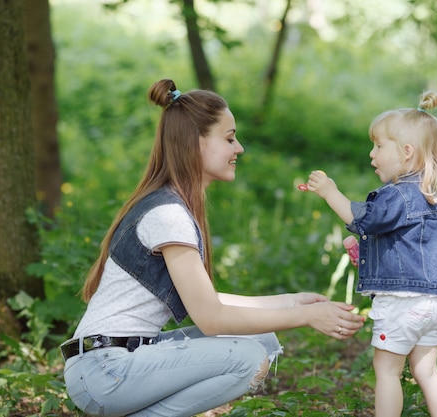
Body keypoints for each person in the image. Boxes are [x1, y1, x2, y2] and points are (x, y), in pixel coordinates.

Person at [60, 79, 365, 417]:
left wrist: (294, 301)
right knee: (247, 358)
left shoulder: (171, 206)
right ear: (196, 142)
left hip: (117, 363)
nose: (240, 148)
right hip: (104, 371)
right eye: (230, 138)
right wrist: (306, 317)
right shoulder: (168, 214)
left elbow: (207, 302)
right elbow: (211, 319)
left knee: (263, 340)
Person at [304, 91, 437, 417]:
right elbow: (405, 252)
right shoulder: (428, 198)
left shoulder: (397, 195)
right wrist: (365, 254)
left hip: (403, 303)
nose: (371, 154)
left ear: (406, 152)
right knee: (427, 373)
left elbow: (363, 219)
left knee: (386, 371)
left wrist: (331, 193)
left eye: (378, 146)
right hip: (434, 303)